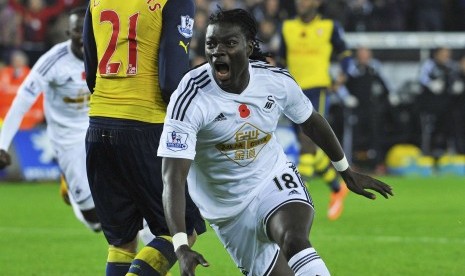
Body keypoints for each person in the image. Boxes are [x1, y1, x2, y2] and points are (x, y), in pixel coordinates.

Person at [159, 8, 393, 276]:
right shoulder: (191, 96)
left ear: (249, 48)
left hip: (271, 178)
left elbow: (311, 121)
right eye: (211, 44)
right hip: (228, 210)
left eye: (229, 43)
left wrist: (345, 171)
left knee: (294, 238)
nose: (217, 51)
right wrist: (180, 246)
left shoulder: (275, 81)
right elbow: (173, 177)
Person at [82, 1, 206, 275]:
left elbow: (90, 70)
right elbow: (170, 80)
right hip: (145, 125)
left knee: (122, 242)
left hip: (98, 126)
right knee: (182, 230)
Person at [0, 7, 101, 232]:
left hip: (99, 129)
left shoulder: (107, 54)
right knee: (95, 223)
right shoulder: (53, 61)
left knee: (124, 198)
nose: (83, 36)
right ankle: (72, 190)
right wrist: (2, 144)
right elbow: (22, 101)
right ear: (69, 33)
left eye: (88, 30)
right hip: (67, 139)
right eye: (77, 31)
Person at [278, 0, 353, 220]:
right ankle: (337, 188)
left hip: (317, 89)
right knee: (310, 145)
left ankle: (301, 191)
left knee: (306, 139)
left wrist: (342, 75)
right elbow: (281, 58)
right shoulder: (287, 27)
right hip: (292, 90)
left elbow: (345, 53)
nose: (302, 2)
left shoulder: (329, 27)